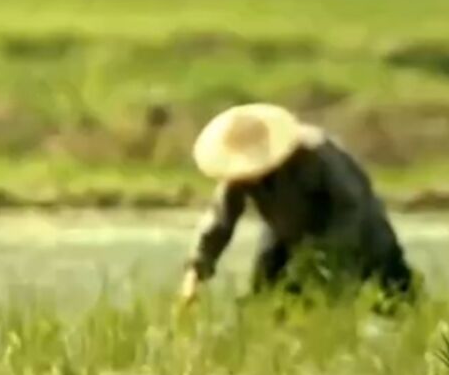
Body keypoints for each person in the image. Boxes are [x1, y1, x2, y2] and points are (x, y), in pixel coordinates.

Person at [177, 103, 414, 306]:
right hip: (286, 241)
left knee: (393, 306)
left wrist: (319, 260)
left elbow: (351, 209)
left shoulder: (316, 154)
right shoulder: (239, 173)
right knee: (265, 306)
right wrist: (194, 274)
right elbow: (219, 222)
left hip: (361, 239)